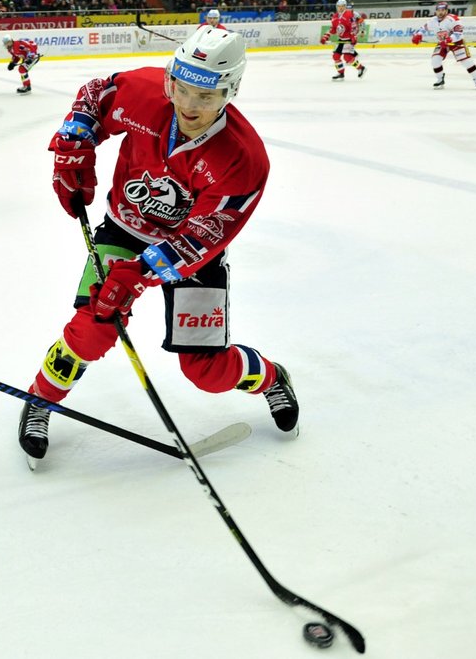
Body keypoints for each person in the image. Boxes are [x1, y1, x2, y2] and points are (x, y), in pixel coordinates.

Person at [16, 27, 299, 464]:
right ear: (170, 78)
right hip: (123, 230)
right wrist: (74, 145)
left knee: (206, 371)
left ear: (231, 90)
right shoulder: (146, 94)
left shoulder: (243, 159)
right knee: (93, 327)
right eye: (181, 88)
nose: (188, 105)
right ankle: (41, 397)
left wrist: (138, 275)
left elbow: (203, 238)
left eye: (206, 97)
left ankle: (271, 377)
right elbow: (96, 96)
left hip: (191, 253)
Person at [410, 1, 476, 89]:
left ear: (446, 11)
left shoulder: (453, 19)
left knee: (466, 61)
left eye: (443, 10)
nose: (440, 12)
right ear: (436, 11)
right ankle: (440, 79)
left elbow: (459, 33)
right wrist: (418, 35)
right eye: (438, 10)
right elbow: (423, 28)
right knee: (435, 60)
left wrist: (449, 39)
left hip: (456, 42)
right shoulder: (432, 21)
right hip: (443, 43)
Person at [320, 0, 366, 80]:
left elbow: (354, 26)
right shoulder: (334, 17)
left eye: (342, 6)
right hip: (341, 39)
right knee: (336, 56)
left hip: (349, 39)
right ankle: (341, 73)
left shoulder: (349, 14)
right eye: (338, 6)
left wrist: (353, 36)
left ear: (345, 6)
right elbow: (333, 29)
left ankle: (361, 68)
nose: (340, 8)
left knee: (347, 58)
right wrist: (326, 36)